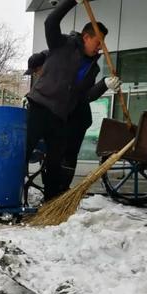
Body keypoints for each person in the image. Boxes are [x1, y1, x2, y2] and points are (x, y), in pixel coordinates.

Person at [25, 0, 121, 201]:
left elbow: (86, 96)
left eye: (102, 43)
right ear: (86, 37)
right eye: (98, 42)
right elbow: (50, 22)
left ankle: (49, 203)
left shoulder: (93, 68)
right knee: (24, 152)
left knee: (55, 161)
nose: (100, 47)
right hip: (40, 107)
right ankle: (10, 194)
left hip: (60, 117)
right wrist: (71, 0)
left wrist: (105, 84)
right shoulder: (63, 44)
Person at [24, 51, 95, 194]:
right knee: (52, 157)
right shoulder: (49, 75)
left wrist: (103, 85)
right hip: (59, 119)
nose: (37, 74)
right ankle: (53, 191)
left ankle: (60, 191)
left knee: (66, 155)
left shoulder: (62, 73)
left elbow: (82, 95)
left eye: (37, 70)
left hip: (75, 120)